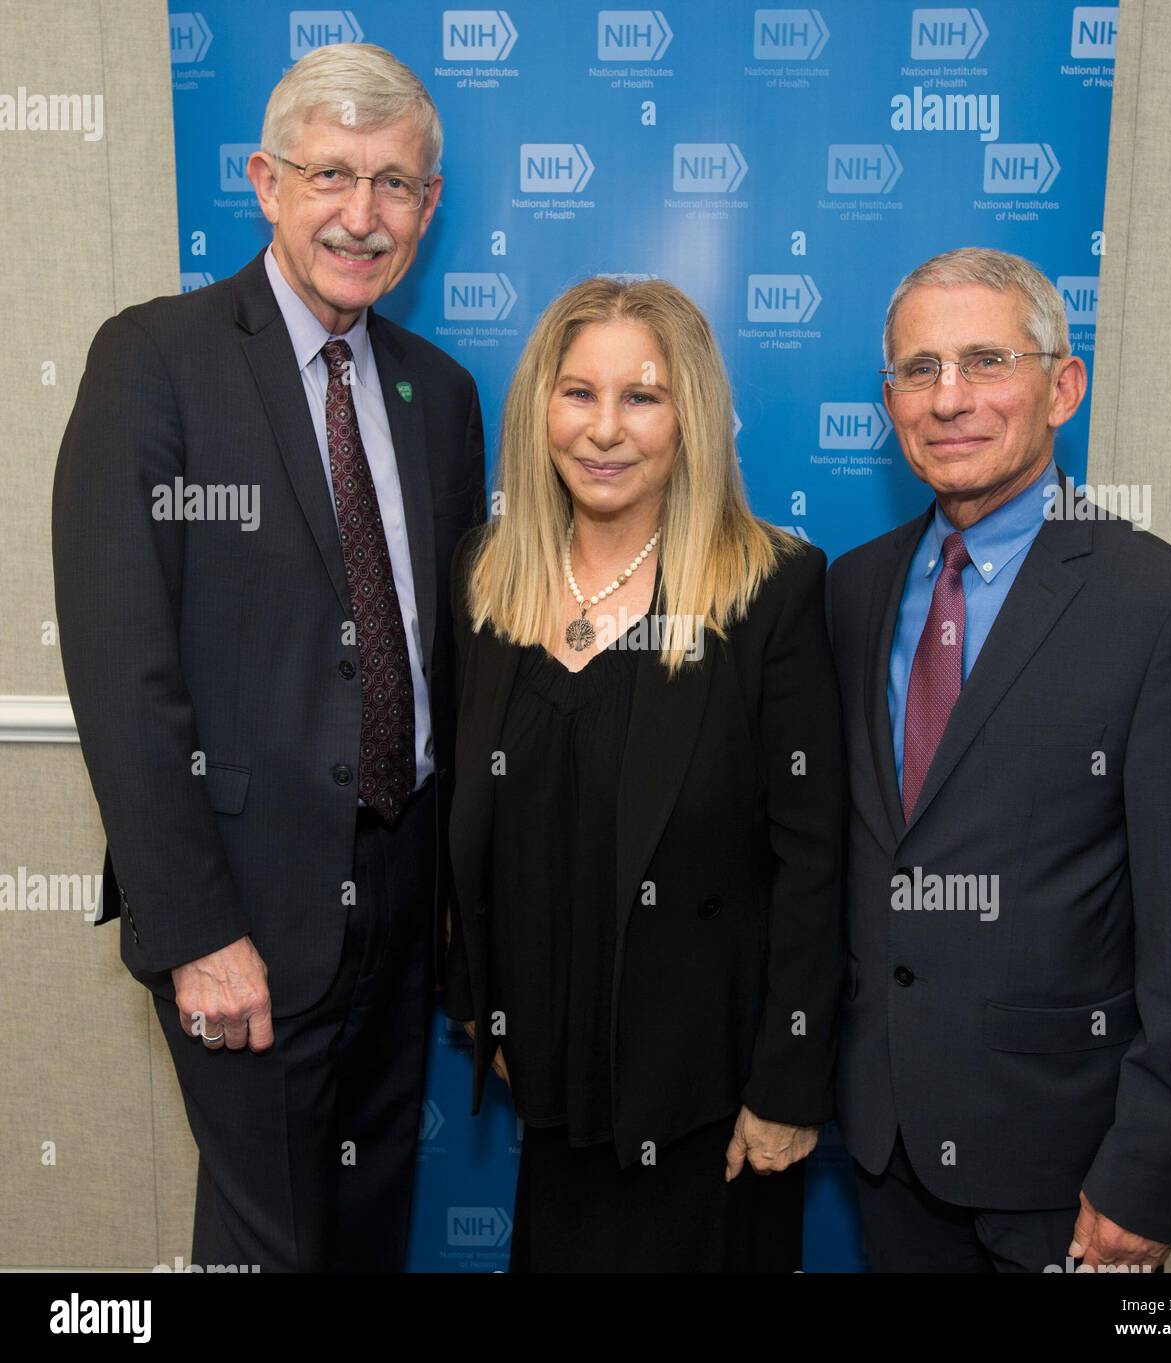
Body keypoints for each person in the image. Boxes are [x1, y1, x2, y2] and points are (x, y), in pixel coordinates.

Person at [51, 43, 484, 1271]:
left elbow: (439, 659)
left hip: (405, 902)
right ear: (266, 182)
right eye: (332, 174)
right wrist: (193, 928)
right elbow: (121, 667)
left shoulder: (439, 395)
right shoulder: (157, 360)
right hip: (246, 903)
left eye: (396, 184)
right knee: (267, 1244)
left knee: (364, 1226)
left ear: (429, 205)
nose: (363, 214)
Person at [829, 247, 1171, 1273]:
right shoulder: (851, 592)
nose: (948, 399)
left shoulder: (1164, 611)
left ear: (1061, 385)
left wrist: (1146, 1177)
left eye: (985, 361)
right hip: (885, 1139)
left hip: (1064, 1172)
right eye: (917, 369)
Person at [441, 277, 844, 1272]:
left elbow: (813, 860)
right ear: (539, 408)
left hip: (711, 1104)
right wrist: (481, 1000)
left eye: (642, 397)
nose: (605, 429)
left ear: (692, 416)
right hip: (551, 1082)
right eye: (578, 393)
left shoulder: (769, 589)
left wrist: (788, 1084)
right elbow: (467, 825)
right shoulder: (486, 579)